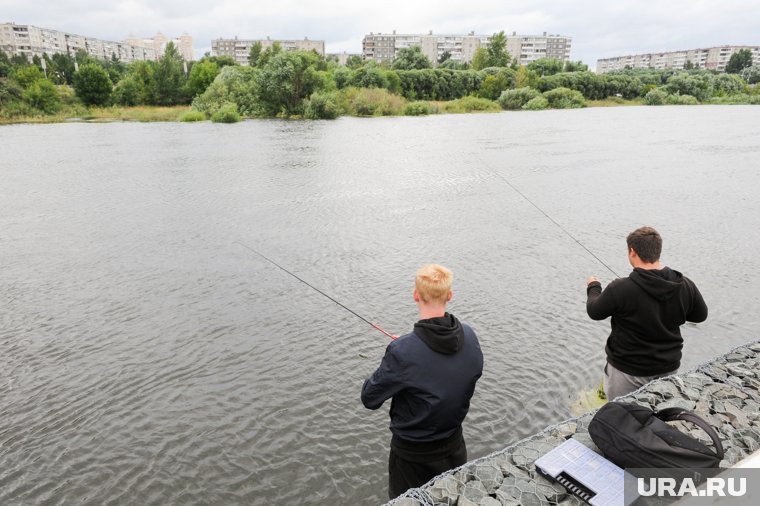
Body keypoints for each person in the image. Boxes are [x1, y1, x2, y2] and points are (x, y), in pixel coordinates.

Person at [361, 264, 483, 500]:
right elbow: (467, 371)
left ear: (416, 295)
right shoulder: (469, 335)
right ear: (449, 296)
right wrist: (408, 348)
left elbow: (369, 398)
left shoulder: (403, 352)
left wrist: (398, 354)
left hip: (412, 457)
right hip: (455, 446)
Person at [586, 226, 708, 400]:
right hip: (668, 367)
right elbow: (699, 316)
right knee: (659, 413)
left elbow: (594, 311)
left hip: (627, 371)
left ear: (633, 252)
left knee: (621, 416)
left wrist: (594, 286)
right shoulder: (684, 284)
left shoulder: (620, 288)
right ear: (657, 251)